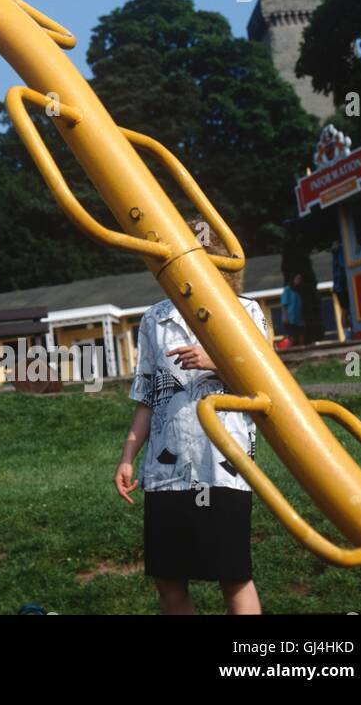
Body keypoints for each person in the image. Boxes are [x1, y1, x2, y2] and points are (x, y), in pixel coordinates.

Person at [114, 223, 267, 615]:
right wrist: (128, 456)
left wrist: (215, 363)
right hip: (166, 472)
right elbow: (147, 397)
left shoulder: (245, 311)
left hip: (223, 466)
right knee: (168, 579)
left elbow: (267, 381)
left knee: (233, 576)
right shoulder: (153, 319)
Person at [280, 273, 305, 346]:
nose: (299, 281)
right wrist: (285, 317)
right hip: (290, 319)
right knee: (292, 338)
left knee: (301, 337)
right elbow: (284, 304)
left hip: (299, 319)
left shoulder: (300, 290)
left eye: (300, 279)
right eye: (298, 278)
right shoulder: (288, 289)